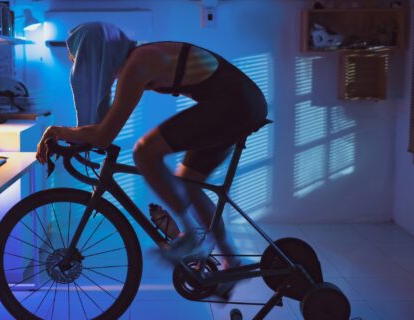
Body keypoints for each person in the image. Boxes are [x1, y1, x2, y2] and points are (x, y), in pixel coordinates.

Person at [36, 22, 267, 295]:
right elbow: (104, 126)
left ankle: (190, 237)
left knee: (145, 151)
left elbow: (104, 135)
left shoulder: (137, 65)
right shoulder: (137, 60)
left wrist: (57, 131)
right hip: (240, 102)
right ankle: (232, 261)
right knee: (189, 181)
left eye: (86, 62)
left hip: (235, 103)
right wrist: (80, 134)